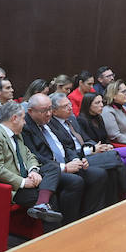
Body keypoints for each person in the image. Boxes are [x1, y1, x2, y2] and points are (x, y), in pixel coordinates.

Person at [21, 93, 110, 221]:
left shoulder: (49, 121)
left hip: (67, 162)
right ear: (30, 111)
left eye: (50, 109)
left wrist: (75, 159)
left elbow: (67, 145)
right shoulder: (26, 128)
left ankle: (89, 216)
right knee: (75, 181)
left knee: (99, 174)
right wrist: (64, 167)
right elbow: (35, 156)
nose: (48, 113)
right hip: (48, 169)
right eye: (44, 111)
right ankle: (69, 222)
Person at [0, 101, 64, 227]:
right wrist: (23, 182)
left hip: (23, 177)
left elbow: (28, 155)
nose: (25, 122)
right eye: (23, 118)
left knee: (53, 167)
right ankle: (51, 234)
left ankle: (41, 205)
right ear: (14, 118)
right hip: (6, 186)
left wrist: (33, 171)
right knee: (51, 196)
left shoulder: (17, 134)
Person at [46, 92, 126, 201]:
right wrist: (90, 150)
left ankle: (113, 202)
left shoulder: (72, 119)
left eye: (70, 104)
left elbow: (86, 139)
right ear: (54, 111)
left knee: (112, 167)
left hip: (87, 153)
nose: (70, 107)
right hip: (77, 158)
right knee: (114, 155)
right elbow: (67, 149)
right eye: (65, 106)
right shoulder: (52, 126)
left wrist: (99, 147)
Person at [77, 92, 126, 193]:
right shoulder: (81, 120)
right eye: (97, 103)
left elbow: (105, 137)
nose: (101, 105)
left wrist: (108, 145)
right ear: (88, 105)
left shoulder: (99, 117)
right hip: (95, 152)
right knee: (123, 161)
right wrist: (101, 147)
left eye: (102, 102)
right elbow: (85, 140)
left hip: (106, 148)